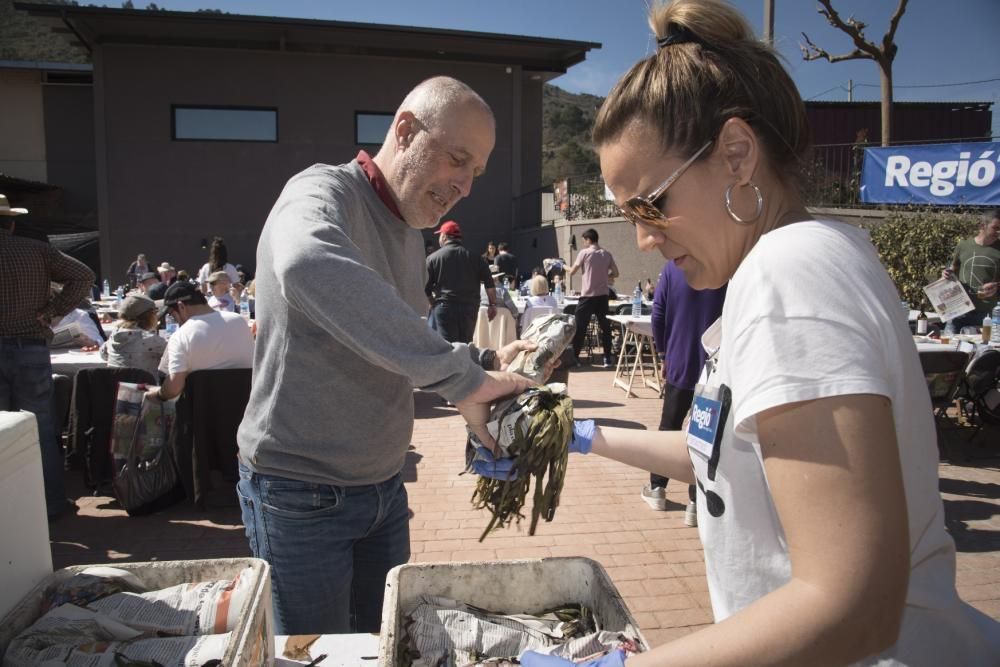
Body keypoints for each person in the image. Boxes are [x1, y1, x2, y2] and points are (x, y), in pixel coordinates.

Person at [518, 1, 1000, 665]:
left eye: (650, 205)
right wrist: (574, 431)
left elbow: (853, 605)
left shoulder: (788, 271)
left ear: (737, 155)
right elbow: (715, 455)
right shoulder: (794, 261)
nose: (644, 238)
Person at [235, 76, 536, 636]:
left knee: (383, 640)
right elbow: (305, 264)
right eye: (457, 159)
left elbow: (389, 337)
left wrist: (480, 362)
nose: (466, 186)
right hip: (299, 493)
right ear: (404, 130)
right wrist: (459, 379)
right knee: (316, 652)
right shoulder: (320, 193)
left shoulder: (407, 230)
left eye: (476, 172)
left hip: (384, 488)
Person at [0, 194, 94, 519]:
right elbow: (84, 276)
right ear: (11, 223)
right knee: (39, 427)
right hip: (29, 344)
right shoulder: (36, 250)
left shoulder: (36, 251)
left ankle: (9, 508)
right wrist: (53, 311)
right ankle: (51, 503)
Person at [642, 261, 725, 529]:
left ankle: (657, 489)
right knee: (702, 437)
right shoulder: (724, 267)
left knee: (669, 426)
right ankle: (694, 502)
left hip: (679, 358)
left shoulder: (671, 268)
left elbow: (658, 314)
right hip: (714, 364)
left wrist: (664, 351)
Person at [144, 282, 253, 403]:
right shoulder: (240, 321)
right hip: (244, 410)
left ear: (181, 307)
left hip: (201, 415)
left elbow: (174, 388)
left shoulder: (181, 335)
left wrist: (159, 394)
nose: (175, 321)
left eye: (172, 315)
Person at [425, 220, 497, 343]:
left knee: (447, 347)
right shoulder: (476, 258)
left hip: (444, 307)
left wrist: (432, 303)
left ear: (444, 236)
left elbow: (425, 286)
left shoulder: (432, 258)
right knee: (466, 345)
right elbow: (489, 284)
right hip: (469, 307)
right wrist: (492, 305)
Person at [567, 228, 619, 367]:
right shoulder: (606, 254)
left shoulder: (584, 253)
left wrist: (563, 266)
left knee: (580, 327)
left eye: (584, 240)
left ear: (588, 240)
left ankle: (576, 358)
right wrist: (606, 276)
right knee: (605, 328)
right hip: (602, 296)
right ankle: (607, 358)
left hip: (588, 296)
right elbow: (616, 273)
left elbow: (572, 272)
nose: (583, 243)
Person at [941, 208, 1000, 330]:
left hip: (988, 315)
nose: (999, 231)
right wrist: (946, 273)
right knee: (949, 347)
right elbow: (953, 268)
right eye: (995, 227)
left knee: (985, 348)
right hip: (958, 310)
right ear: (982, 226)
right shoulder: (963, 245)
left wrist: (996, 287)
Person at [100, 294, 167, 376]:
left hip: (115, 386)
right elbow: (174, 359)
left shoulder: (114, 336)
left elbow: (103, 354)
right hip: (144, 387)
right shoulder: (152, 341)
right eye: (155, 312)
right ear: (149, 316)